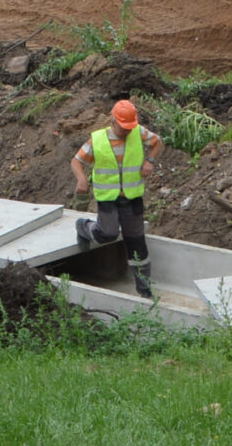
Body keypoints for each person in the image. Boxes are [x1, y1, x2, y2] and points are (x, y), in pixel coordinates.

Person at [68, 99, 164, 299]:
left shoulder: (138, 132)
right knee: (108, 233)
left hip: (133, 197)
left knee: (137, 242)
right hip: (108, 198)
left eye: (130, 127)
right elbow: (77, 161)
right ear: (114, 122)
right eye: (124, 127)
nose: (128, 131)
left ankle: (144, 289)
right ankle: (84, 227)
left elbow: (157, 143)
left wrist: (150, 161)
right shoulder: (98, 140)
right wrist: (82, 180)